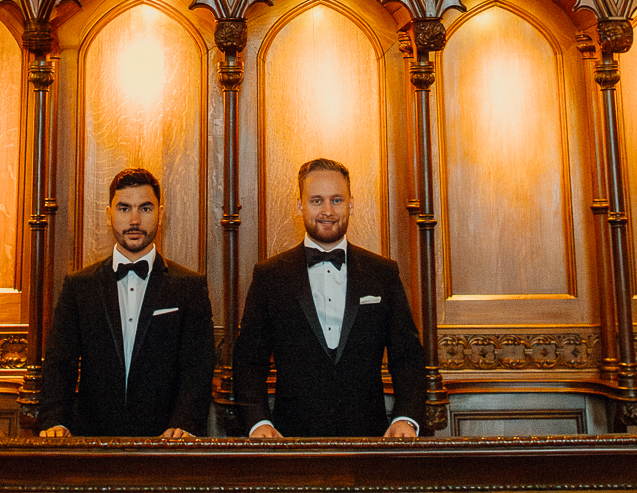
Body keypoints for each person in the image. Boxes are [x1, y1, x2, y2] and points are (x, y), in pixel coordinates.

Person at [233, 157, 426, 438]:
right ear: (300, 205)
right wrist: (259, 423)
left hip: (370, 440)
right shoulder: (269, 275)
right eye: (316, 201)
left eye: (337, 200)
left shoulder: (383, 272)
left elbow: (407, 356)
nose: (327, 211)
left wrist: (406, 418)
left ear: (351, 202)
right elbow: (249, 361)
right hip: (291, 441)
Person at [36, 167, 215, 437]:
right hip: (92, 442)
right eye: (123, 209)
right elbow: (60, 364)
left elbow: (197, 368)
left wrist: (184, 425)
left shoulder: (189, 286)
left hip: (166, 445)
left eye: (145, 208)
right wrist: (55, 422)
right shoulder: (78, 286)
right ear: (109, 214)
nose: (134, 220)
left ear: (160, 213)